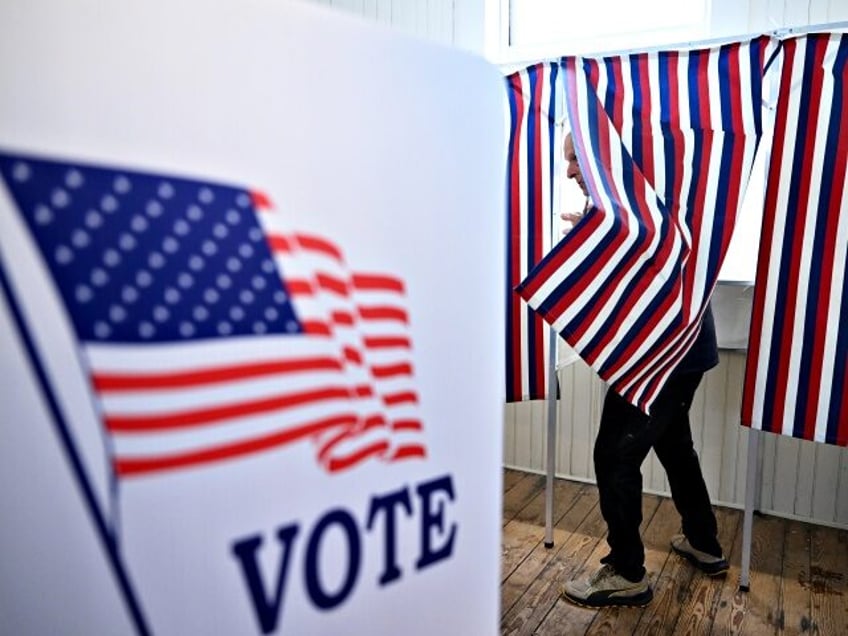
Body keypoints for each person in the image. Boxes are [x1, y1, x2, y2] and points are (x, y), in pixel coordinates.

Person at [558, 133, 729, 609]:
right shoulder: (636, 199)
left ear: (600, 159)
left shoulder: (635, 204)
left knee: (615, 453)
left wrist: (596, 244)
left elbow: (646, 276)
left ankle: (626, 572)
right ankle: (704, 542)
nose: (570, 172)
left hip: (661, 354)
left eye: (575, 160)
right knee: (675, 445)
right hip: (680, 350)